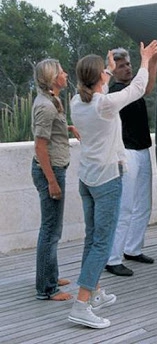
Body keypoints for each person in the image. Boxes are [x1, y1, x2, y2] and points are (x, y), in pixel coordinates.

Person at [68, 40, 157, 329]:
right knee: (101, 244)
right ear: (99, 77)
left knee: (92, 238)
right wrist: (146, 59)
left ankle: (93, 291)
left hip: (87, 179)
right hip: (107, 180)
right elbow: (137, 88)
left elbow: (101, 88)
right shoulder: (104, 105)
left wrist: (106, 69)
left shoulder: (77, 101)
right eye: (104, 73)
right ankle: (81, 305)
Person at [105, 43, 157, 277]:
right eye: (121, 66)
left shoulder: (132, 88)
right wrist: (147, 60)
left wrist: (155, 58)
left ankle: (132, 248)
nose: (127, 68)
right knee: (125, 207)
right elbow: (144, 85)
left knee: (143, 204)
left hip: (142, 150)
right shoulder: (116, 93)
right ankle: (112, 259)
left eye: (129, 64)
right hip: (126, 153)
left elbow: (147, 86)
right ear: (113, 70)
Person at [31, 59, 80, 301]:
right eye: (61, 72)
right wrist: (52, 181)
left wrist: (67, 128)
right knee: (50, 231)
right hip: (49, 172)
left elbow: (50, 131)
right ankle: (46, 289)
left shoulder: (51, 101)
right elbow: (40, 147)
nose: (66, 74)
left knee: (53, 230)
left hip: (54, 170)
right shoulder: (46, 107)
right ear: (52, 78)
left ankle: (50, 275)